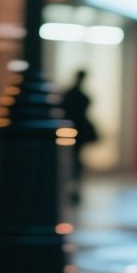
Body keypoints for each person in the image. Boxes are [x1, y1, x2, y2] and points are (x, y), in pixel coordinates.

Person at [59, 70, 98, 203]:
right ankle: (73, 188)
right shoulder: (77, 95)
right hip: (76, 130)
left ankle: (73, 188)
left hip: (74, 130)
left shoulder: (69, 94)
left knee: (74, 159)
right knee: (74, 160)